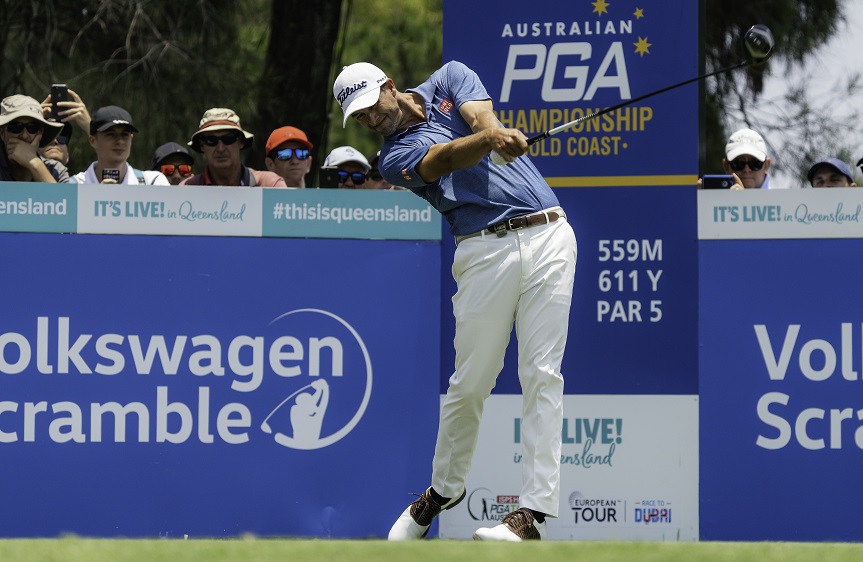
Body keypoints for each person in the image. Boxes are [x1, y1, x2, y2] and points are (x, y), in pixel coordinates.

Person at [336, 60, 577, 542]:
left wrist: (497, 133)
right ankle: (442, 492)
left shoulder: (450, 77)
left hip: (549, 232)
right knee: (471, 383)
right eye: (358, 117)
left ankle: (531, 514)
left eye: (369, 106)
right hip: (483, 251)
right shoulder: (393, 157)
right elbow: (444, 158)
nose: (369, 120)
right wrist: (491, 141)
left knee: (541, 373)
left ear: (389, 85)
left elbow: (481, 117)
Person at [182, 108, 286, 187]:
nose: (220, 149)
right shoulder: (186, 189)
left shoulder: (270, 185)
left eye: (229, 139)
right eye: (211, 141)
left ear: (241, 142)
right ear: (202, 146)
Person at [72, 105, 169, 185]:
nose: (120, 141)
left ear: (131, 139)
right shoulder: (73, 186)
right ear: (93, 141)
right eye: (111, 134)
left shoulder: (153, 183)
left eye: (125, 135)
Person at [0, 94, 69, 182]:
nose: (24, 136)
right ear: (2, 133)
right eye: (16, 127)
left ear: (40, 133)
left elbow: (62, 196)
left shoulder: (56, 171)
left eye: (32, 128)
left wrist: (34, 162)